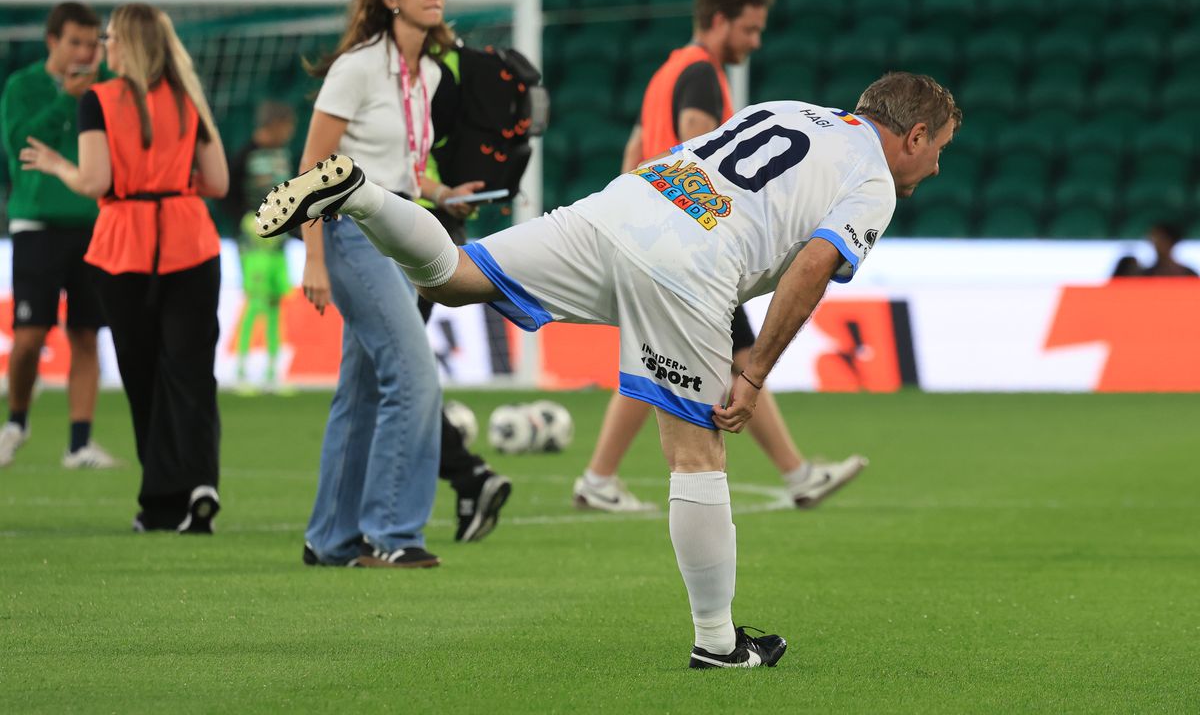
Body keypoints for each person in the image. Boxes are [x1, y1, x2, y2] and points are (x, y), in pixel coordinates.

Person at [257, 71, 961, 667]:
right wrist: (752, 376)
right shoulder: (875, 179)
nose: (935, 170)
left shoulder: (782, 108)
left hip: (625, 206)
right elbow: (812, 267)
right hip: (691, 264)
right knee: (697, 454)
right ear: (915, 135)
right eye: (938, 152)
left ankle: (363, 195)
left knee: (453, 278)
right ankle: (718, 644)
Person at [574, 0, 865, 513]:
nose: (755, 43)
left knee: (697, 355)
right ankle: (795, 475)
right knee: (715, 357)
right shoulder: (702, 75)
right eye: (749, 30)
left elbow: (639, 146)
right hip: (690, 243)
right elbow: (696, 148)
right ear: (718, 19)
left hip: (658, 231)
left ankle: (795, 474)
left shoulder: (668, 70)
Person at [296, 0, 511, 569]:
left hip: (400, 228)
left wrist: (445, 194)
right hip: (352, 233)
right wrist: (314, 257)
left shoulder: (430, 76)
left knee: (361, 391)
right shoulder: (356, 68)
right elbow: (313, 169)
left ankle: (330, 539)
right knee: (414, 376)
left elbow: (406, 171)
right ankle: (393, 534)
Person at [20, 3, 228, 534]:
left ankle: (162, 502)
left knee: (144, 375)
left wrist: (57, 164)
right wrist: (175, 186)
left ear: (127, 44)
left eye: (110, 38)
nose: (104, 46)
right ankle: (202, 482)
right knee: (191, 373)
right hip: (191, 240)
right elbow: (219, 182)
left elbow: (93, 180)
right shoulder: (188, 97)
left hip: (125, 246)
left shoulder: (100, 100)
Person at [0, 1, 118, 470]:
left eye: (93, 44)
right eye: (76, 42)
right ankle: (16, 423)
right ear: (53, 41)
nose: (86, 53)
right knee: (29, 336)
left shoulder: (108, 87)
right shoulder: (24, 86)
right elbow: (20, 146)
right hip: (38, 224)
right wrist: (67, 98)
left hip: (93, 224)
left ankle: (80, 443)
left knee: (87, 333)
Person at [226, 100, 297, 394]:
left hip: (278, 243)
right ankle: (240, 370)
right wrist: (241, 221)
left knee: (274, 305)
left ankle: (272, 372)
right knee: (254, 303)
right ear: (275, 125)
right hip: (253, 243)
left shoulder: (282, 153)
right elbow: (227, 192)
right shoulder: (245, 154)